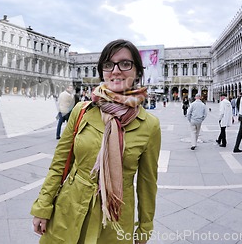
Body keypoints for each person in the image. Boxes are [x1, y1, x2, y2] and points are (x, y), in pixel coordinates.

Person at [31, 39, 161, 244]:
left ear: (137, 71)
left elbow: (147, 184)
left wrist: (144, 228)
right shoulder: (82, 110)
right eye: (108, 65)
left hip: (115, 222)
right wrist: (43, 206)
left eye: (125, 64)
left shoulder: (149, 125)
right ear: (102, 72)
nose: (116, 71)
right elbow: (58, 164)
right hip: (69, 209)